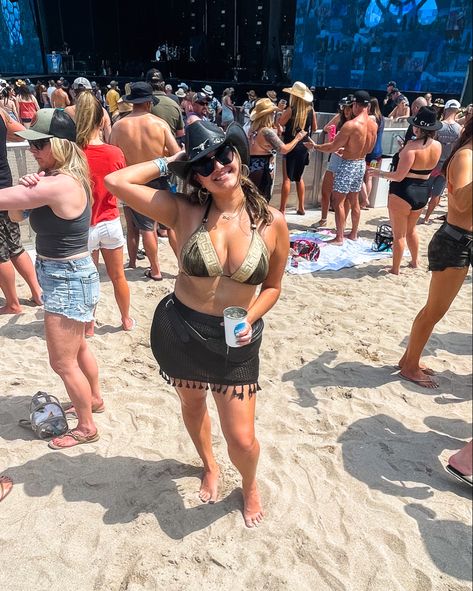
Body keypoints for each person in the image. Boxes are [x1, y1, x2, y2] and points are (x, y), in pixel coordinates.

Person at [105, 120, 289, 527]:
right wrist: (172, 160)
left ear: (238, 155)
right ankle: (208, 464)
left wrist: (251, 319)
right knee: (192, 403)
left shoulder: (272, 222)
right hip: (182, 329)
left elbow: (273, 287)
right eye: (204, 164)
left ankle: (250, 483)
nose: (218, 166)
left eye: (224, 155)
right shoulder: (183, 210)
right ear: (197, 176)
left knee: (241, 438)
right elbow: (115, 180)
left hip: (235, 337)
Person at [0, 108, 102, 448]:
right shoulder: (58, 178)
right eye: (31, 144)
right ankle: (95, 399)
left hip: (66, 277)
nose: (33, 150)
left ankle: (86, 426)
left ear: (59, 145)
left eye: (40, 144)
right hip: (69, 275)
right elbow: (15, 214)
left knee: (61, 361)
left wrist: (26, 190)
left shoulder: (59, 184)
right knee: (79, 347)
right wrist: (27, 187)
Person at [397, 117, 471, 387]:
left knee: (434, 308)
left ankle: (409, 359)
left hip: (460, 240)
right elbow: (462, 203)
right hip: (455, 241)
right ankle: (410, 366)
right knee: (435, 310)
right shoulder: (466, 156)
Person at [74, 91, 135, 334]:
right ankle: (126, 319)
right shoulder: (115, 153)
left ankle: (89, 324)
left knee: (88, 280)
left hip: (84, 225)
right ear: (102, 121)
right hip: (110, 221)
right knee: (118, 276)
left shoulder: (74, 152)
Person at [110, 82, 181, 279]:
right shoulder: (159, 124)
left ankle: (155, 270)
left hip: (134, 183)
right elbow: (176, 154)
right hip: (160, 179)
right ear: (149, 102)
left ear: (132, 102)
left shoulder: (119, 126)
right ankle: (182, 267)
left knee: (146, 228)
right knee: (171, 225)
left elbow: (114, 156)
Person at [368, 107, 441, 275]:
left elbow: (399, 176)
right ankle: (415, 262)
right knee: (411, 230)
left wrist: (378, 173)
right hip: (423, 191)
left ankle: (395, 269)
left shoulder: (411, 147)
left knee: (398, 234)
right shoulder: (437, 146)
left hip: (403, 191)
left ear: (418, 128)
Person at [310, 90, 377, 244]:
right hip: (361, 163)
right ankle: (353, 233)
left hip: (347, 164)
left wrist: (315, 146)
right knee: (354, 200)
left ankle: (339, 237)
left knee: (338, 201)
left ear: (355, 104)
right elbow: (370, 149)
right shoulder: (373, 124)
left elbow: (332, 147)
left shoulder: (351, 125)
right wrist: (350, 150)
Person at [0, 109, 43, 314]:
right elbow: (22, 132)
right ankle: (37, 293)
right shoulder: (2, 113)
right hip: (5, 183)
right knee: (14, 244)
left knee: (1, 253)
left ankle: (13, 304)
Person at [248, 98, 307, 202]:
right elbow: (284, 149)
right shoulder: (266, 132)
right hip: (262, 169)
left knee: (252, 200)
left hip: (252, 166)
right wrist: (298, 138)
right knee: (261, 201)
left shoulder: (253, 128)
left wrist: (278, 132)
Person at [312, 95, 354, 227]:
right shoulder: (342, 119)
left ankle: (341, 224)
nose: (346, 111)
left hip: (347, 159)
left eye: (349, 108)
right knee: (326, 190)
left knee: (345, 197)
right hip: (336, 156)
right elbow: (326, 127)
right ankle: (324, 219)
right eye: (344, 108)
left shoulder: (356, 124)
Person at [278, 81, 317, 215]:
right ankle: (301, 207)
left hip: (291, 144)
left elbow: (280, 122)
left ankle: (282, 209)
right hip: (304, 146)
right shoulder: (311, 109)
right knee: (299, 178)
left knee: (287, 178)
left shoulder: (291, 109)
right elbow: (315, 128)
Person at [422, 99, 462, 224]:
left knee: (425, 191)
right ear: (457, 111)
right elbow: (456, 150)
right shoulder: (460, 129)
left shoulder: (439, 125)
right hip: (447, 165)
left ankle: (417, 213)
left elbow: (430, 145)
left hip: (434, 163)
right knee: (437, 193)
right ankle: (427, 217)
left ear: (445, 109)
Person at [64, 77, 111, 144]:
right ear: (91, 91)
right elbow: (108, 138)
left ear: (74, 92)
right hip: (99, 150)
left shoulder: (68, 111)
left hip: (77, 151)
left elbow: (65, 137)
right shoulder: (102, 111)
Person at [360, 97, 385, 209]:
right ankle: (366, 201)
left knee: (360, 177)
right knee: (369, 176)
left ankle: (364, 200)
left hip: (369, 152)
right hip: (378, 153)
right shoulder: (382, 118)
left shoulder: (371, 118)